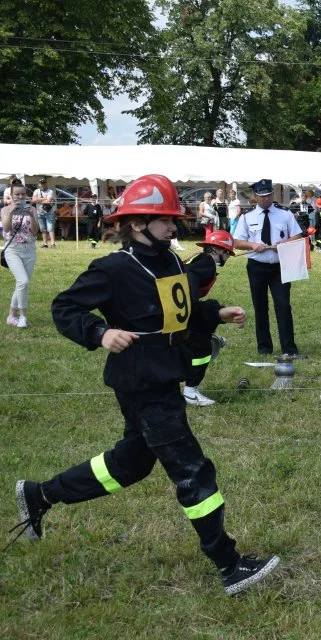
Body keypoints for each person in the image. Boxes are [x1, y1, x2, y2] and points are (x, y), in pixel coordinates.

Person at [11, 174, 279, 595]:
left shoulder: (171, 262)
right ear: (137, 224)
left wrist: (215, 313)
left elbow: (179, 312)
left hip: (164, 374)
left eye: (173, 219)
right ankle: (229, 566)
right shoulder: (114, 268)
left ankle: (41, 494)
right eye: (165, 220)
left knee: (130, 464)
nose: (175, 227)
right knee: (193, 470)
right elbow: (65, 307)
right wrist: (100, 334)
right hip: (141, 383)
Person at [232, 178, 302, 356]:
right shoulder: (247, 217)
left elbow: (297, 236)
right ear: (255, 196)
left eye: (269, 194)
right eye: (262, 195)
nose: (266, 198)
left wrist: (284, 243)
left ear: (273, 194)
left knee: (283, 306)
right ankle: (264, 347)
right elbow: (237, 242)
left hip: (280, 266)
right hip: (257, 267)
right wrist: (252, 245)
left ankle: (289, 348)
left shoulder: (285, 214)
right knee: (260, 307)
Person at [183, 230, 237, 407]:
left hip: (177, 307)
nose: (228, 257)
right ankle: (191, 391)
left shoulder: (200, 259)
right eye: (227, 252)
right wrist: (190, 304)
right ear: (215, 250)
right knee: (201, 348)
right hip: (182, 308)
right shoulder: (208, 265)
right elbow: (189, 276)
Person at [1, 184, 39, 328]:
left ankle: (11, 316)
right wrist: (11, 211)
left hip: (29, 249)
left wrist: (31, 216)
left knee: (21, 284)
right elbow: (6, 228)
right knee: (23, 282)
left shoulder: (32, 209)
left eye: (23, 194)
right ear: (11, 195)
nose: (20, 197)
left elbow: (35, 232)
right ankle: (23, 316)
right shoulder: (5, 209)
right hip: (13, 250)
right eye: (17, 194)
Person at [31, 177, 56, 248]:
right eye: (41, 184)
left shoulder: (50, 191)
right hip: (39, 212)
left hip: (49, 212)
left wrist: (38, 200)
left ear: (46, 184)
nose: (42, 185)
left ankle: (53, 243)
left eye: (44, 183)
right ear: (39, 184)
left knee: (50, 228)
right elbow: (33, 200)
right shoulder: (36, 191)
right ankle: (45, 244)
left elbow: (49, 201)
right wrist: (45, 198)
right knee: (43, 229)